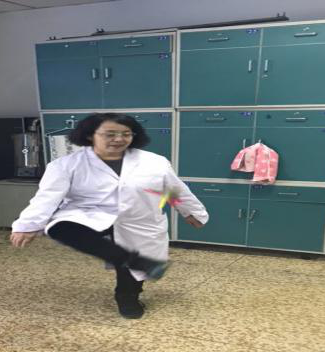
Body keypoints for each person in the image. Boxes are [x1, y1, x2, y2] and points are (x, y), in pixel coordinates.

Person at [10, 113, 208, 319]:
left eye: (126, 134)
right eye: (110, 134)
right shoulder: (65, 165)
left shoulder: (154, 162)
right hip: (90, 214)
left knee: (132, 270)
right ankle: (134, 260)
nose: (119, 139)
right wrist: (26, 226)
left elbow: (173, 190)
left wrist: (190, 211)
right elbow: (46, 197)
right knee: (59, 228)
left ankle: (127, 297)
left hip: (138, 218)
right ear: (90, 135)